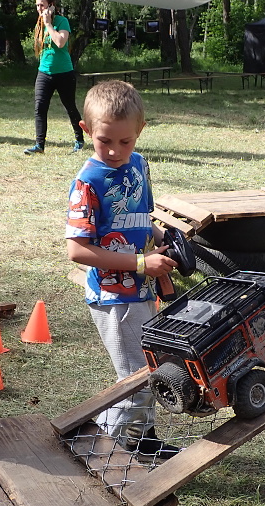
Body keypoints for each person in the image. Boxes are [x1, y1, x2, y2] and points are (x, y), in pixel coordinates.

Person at [65, 80, 179, 458]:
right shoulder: (87, 183)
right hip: (114, 297)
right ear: (85, 130)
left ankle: (140, 439)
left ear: (140, 131)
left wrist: (161, 235)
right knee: (137, 378)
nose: (114, 151)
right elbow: (77, 250)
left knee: (148, 366)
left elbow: (138, 217)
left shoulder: (139, 165)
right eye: (104, 141)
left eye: (124, 142)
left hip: (143, 289)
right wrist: (140, 262)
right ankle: (88, 449)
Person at [24, 0, 85, 156]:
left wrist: (49, 24)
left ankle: (79, 140)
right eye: (37, 5)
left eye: (42, 5)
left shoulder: (61, 21)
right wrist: (44, 23)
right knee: (40, 108)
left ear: (51, 5)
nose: (39, 8)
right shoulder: (39, 24)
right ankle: (39, 145)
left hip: (64, 73)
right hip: (44, 73)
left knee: (70, 107)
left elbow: (60, 42)